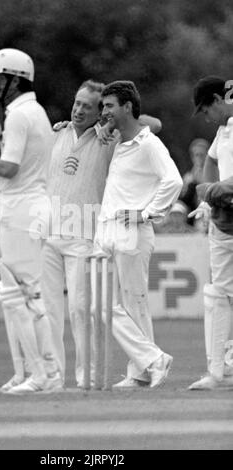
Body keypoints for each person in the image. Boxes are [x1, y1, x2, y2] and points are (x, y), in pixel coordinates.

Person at [42, 79, 162, 388]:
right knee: (48, 311)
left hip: (84, 234)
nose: (79, 109)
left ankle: (90, 378)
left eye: (87, 106)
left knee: (83, 311)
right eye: (76, 103)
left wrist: (110, 123)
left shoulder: (110, 137)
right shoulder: (59, 132)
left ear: (101, 112)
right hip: (50, 232)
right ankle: (48, 378)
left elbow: (153, 124)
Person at [0, 48, 60, 394]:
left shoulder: (21, 115)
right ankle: (30, 373)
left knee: (19, 295)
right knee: (17, 294)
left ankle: (41, 376)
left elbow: (8, 168)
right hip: (26, 206)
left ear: (15, 79)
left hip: (22, 210)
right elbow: (10, 160)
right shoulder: (29, 113)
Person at [94, 80, 183, 388]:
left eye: (109, 106)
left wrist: (146, 213)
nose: (103, 111)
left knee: (134, 304)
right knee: (101, 304)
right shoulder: (118, 141)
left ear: (127, 107)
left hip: (132, 232)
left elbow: (172, 181)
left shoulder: (148, 143)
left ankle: (143, 370)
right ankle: (149, 363)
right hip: (107, 230)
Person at [188, 76, 233, 390]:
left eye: (206, 110)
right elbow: (212, 163)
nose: (206, 117)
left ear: (219, 99)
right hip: (223, 224)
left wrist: (212, 190)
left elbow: (214, 184)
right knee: (218, 294)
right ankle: (216, 372)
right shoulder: (223, 132)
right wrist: (209, 197)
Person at [180, 138, 210, 216]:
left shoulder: (215, 174)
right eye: (196, 155)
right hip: (191, 215)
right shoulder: (188, 177)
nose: (199, 158)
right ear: (192, 157)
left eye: (202, 155)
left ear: (207, 155)